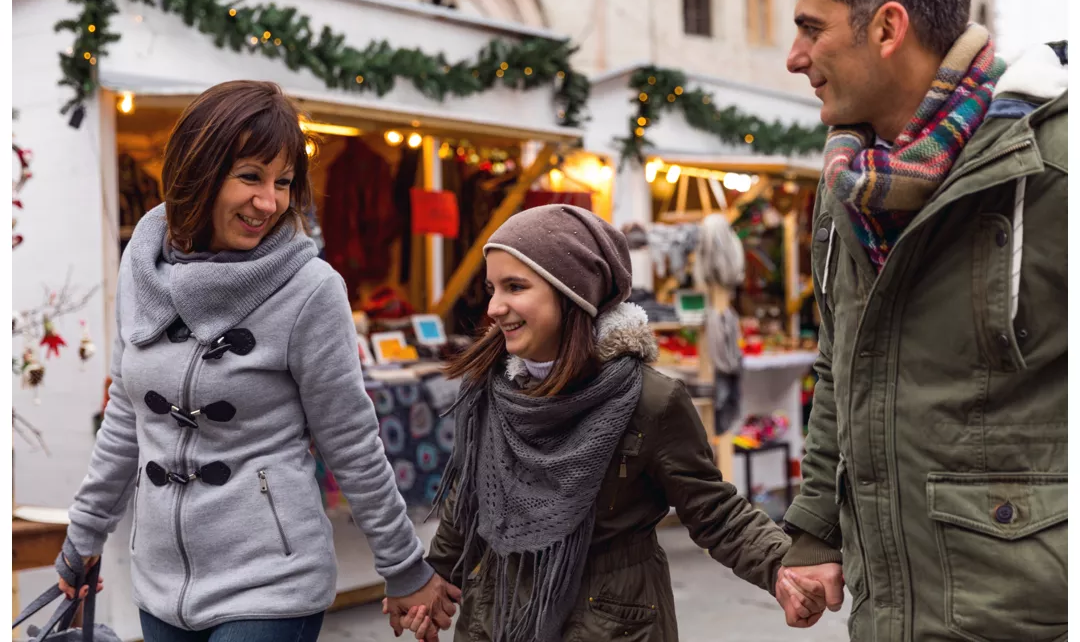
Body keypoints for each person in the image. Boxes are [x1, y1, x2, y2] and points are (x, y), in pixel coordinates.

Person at [56, 80, 460, 641]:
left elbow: (351, 440)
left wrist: (402, 566)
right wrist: (83, 537)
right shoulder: (142, 264)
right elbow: (128, 418)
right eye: (250, 176)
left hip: (272, 584)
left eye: (284, 183)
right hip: (161, 584)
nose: (269, 202)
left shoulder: (310, 288)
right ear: (198, 171)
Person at [389, 204, 825, 642]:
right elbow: (469, 500)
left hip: (611, 624)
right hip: (497, 616)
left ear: (572, 292)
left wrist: (781, 569)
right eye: (492, 288)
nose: (495, 307)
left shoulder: (649, 401)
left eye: (515, 287)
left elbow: (714, 511)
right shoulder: (490, 388)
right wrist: (435, 576)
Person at [780, 0, 1068, 639]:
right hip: (890, 616)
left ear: (887, 28)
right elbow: (840, 364)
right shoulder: (848, 182)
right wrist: (816, 529)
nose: (795, 58)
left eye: (810, 29)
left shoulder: (1053, 162)